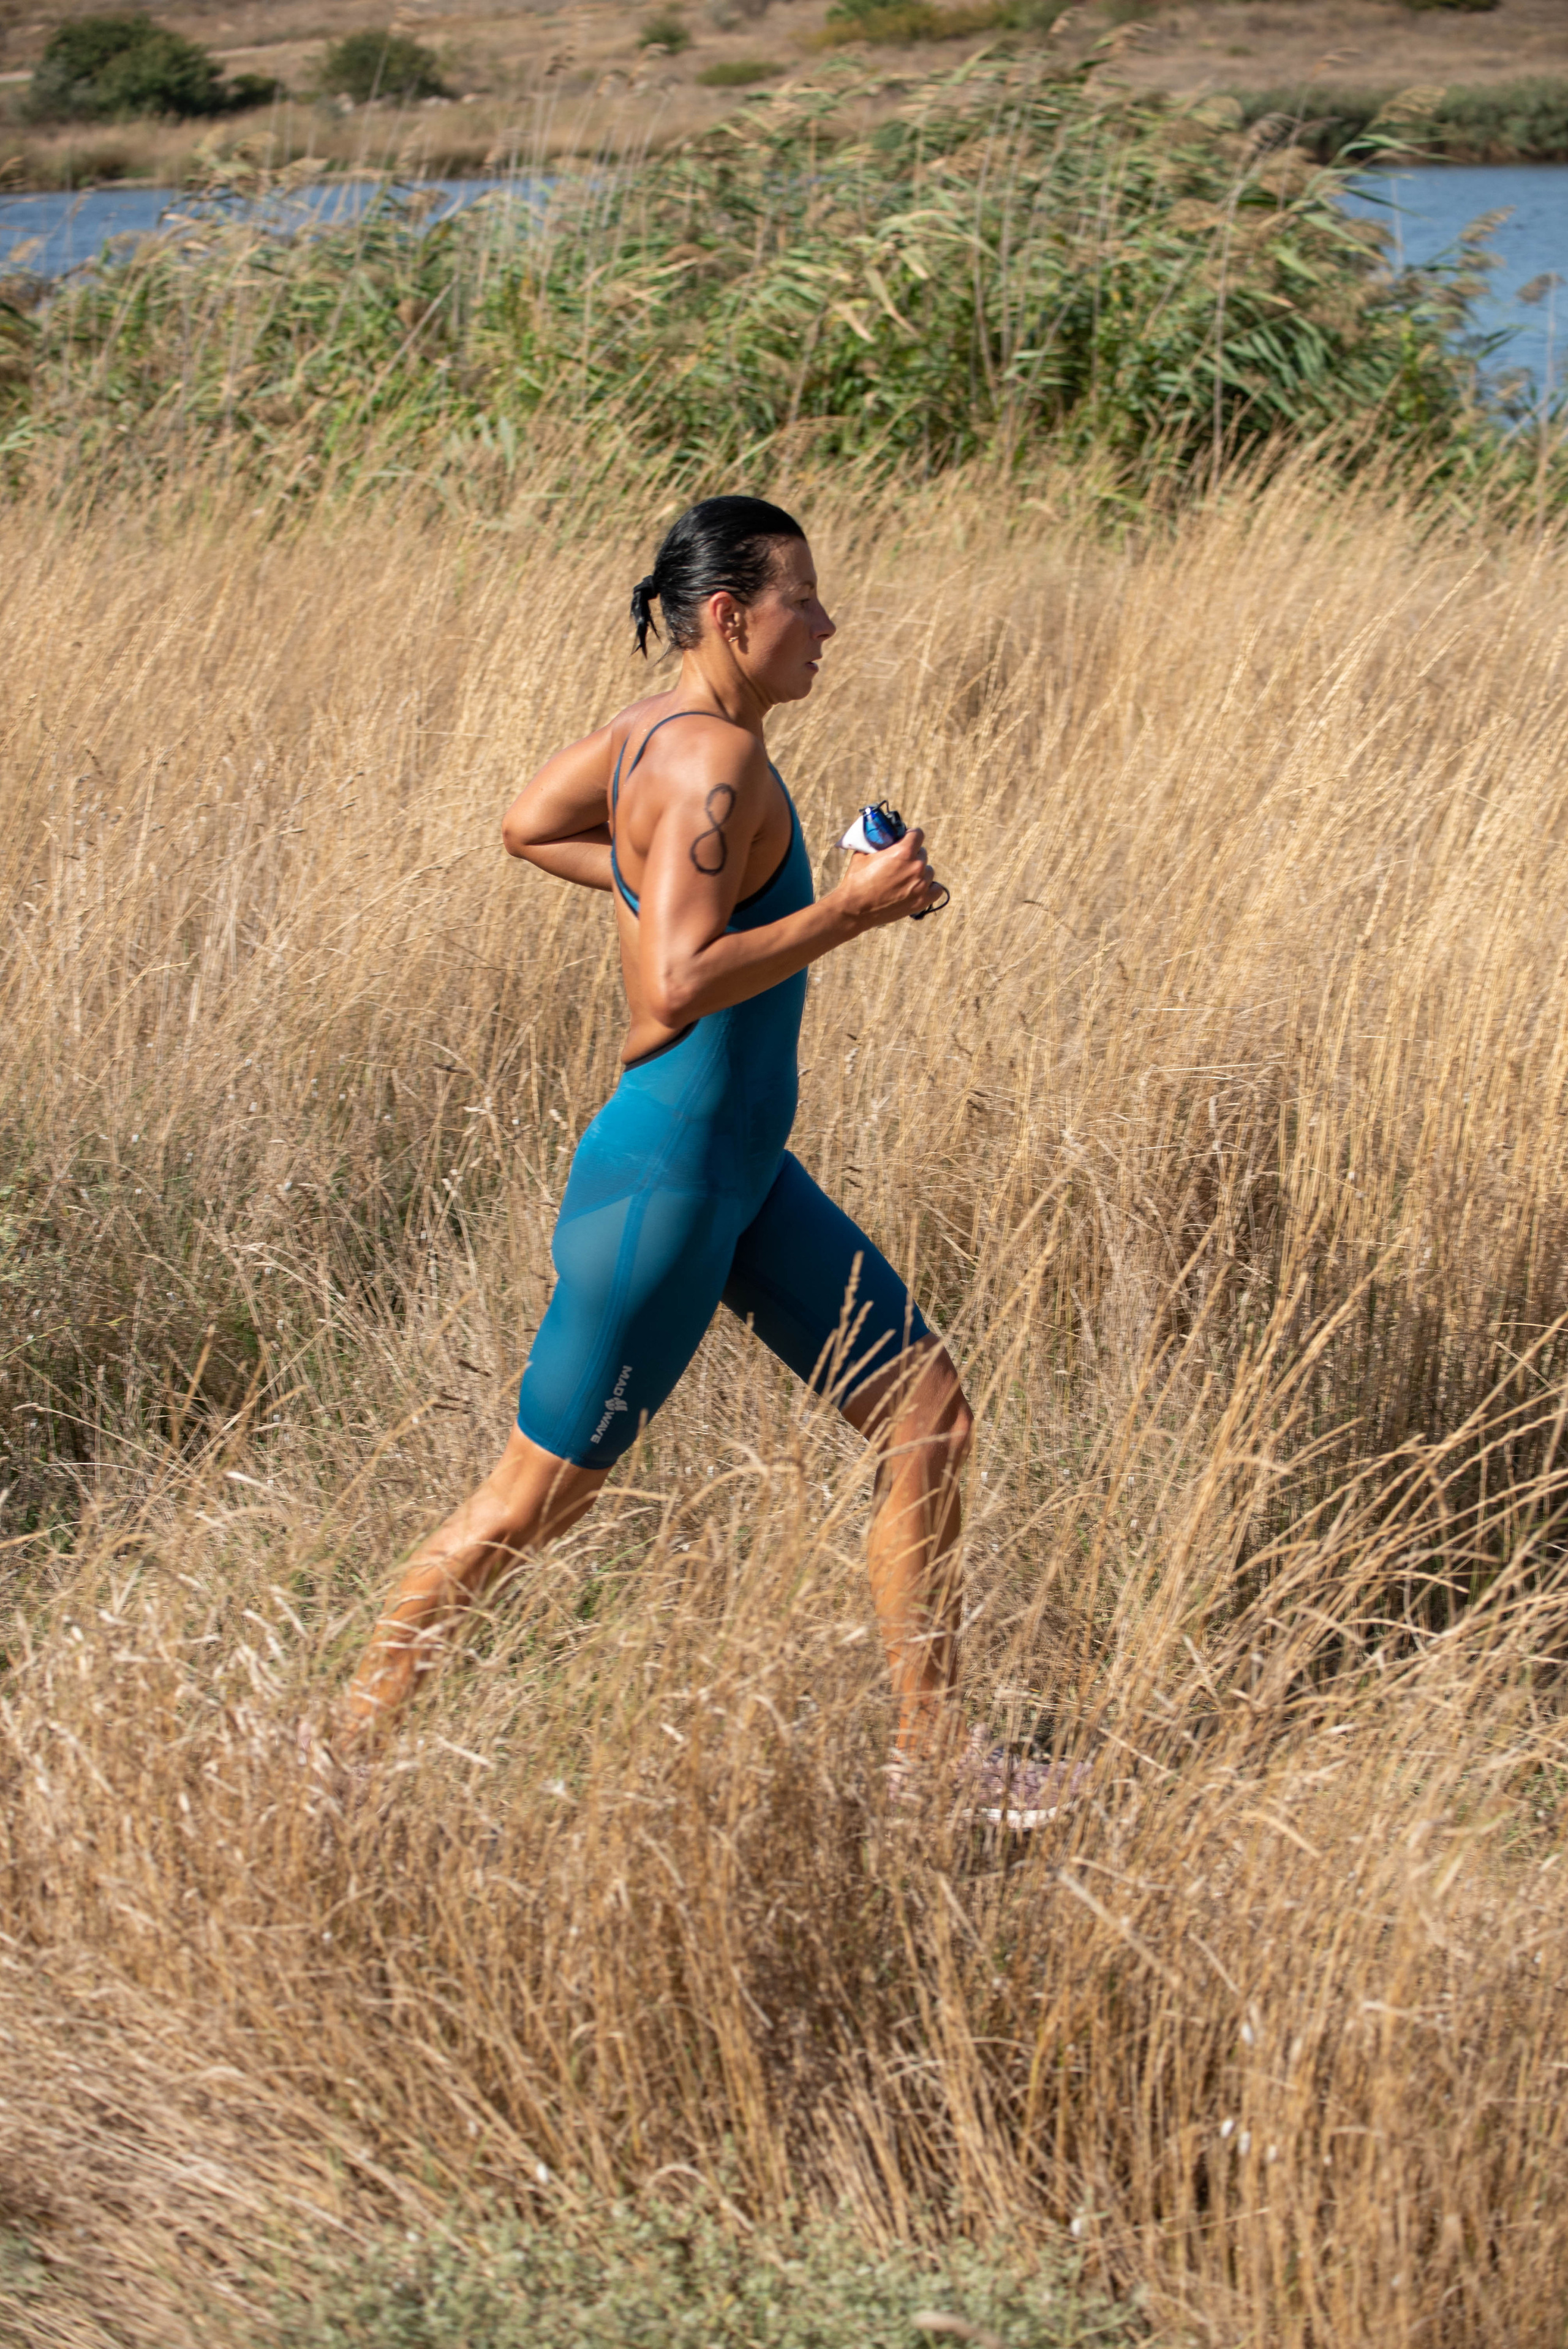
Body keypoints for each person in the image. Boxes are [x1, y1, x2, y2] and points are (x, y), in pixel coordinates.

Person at [337, 494, 977, 1778]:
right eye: (803, 601)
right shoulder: (711, 764)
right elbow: (668, 993)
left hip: (743, 1180)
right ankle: (338, 1755)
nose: (827, 624)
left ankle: (936, 1758)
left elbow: (530, 825)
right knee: (529, 1505)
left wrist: (651, 890)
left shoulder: (657, 736)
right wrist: (848, 910)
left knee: (930, 1421)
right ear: (732, 617)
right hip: (670, 1186)